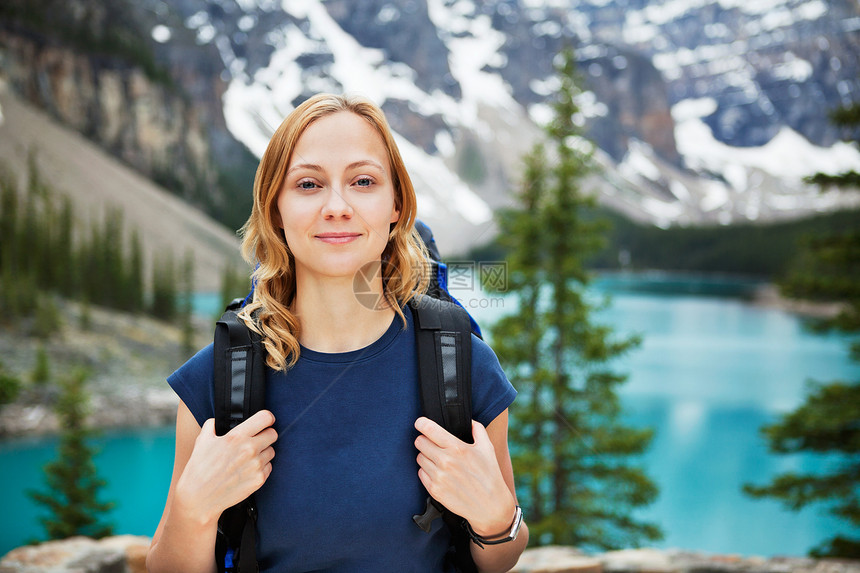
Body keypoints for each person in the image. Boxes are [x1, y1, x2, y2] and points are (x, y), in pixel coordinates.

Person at [146, 93, 528, 573]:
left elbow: (502, 558)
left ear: (396, 205)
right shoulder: (219, 375)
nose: (337, 206)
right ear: (276, 210)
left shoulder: (460, 362)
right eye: (308, 184)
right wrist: (194, 508)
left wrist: (494, 515)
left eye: (363, 181)